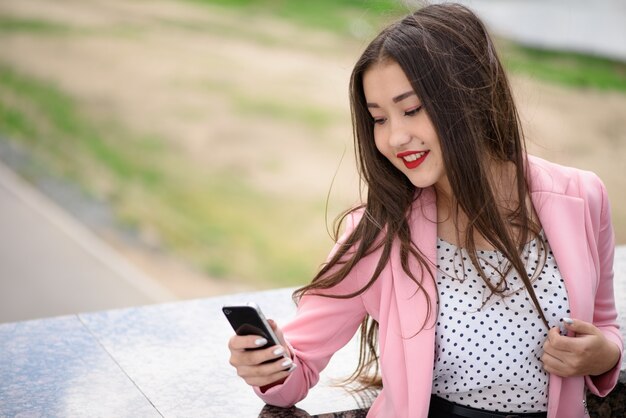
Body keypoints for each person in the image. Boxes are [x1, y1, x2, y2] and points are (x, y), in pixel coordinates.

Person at [227, 3, 623, 418]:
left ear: (472, 94)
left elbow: (606, 326)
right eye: (378, 118)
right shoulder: (377, 231)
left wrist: (603, 357)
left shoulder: (582, 197)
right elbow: (296, 370)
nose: (395, 137)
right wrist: (266, 366)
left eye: (412, 109)